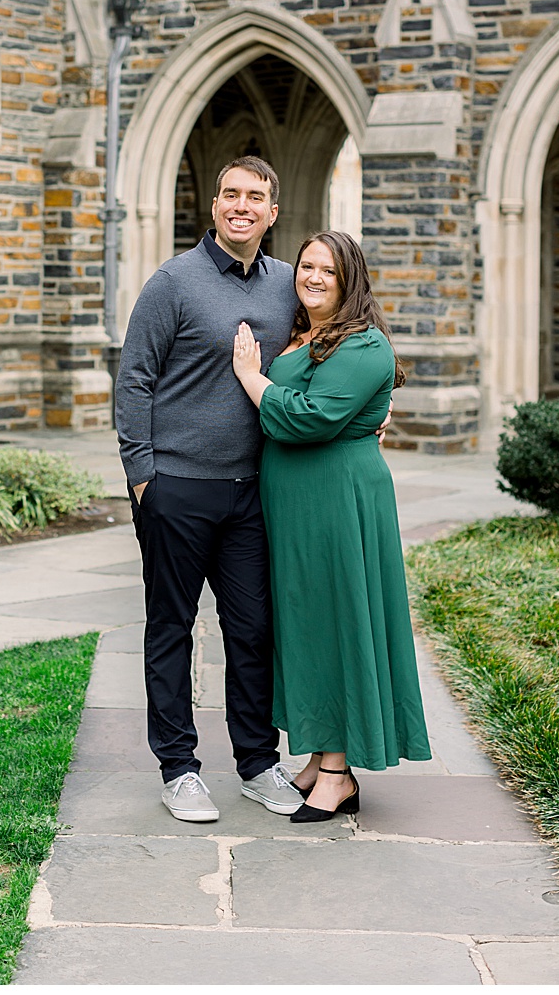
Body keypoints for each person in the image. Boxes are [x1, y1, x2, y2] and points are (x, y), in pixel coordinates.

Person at [116, 155, 306, 823]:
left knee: (253, 632)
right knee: (172, 628)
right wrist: (143, 476)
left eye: (254, 196)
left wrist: (379, 398)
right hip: (176, 488)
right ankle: (179, 769)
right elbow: (134, 378)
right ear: (215, 204)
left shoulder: (288, 285)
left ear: (271, 212)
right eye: (230, 194)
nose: (240, 205)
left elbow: (332, 343)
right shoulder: (174, 282)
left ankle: (257, 763)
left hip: (252, 491)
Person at [230, 229, 431, 822]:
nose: (313, 277)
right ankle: (320, 755)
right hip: (294, 504)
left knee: (338, 622)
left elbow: (312, 420)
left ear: (350, 281)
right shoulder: (304, 333)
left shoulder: (364, 344)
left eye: (329, 270)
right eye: (307, 266)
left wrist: (252, 378)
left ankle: (340, 773)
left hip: (338, 501)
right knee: (306, 624)